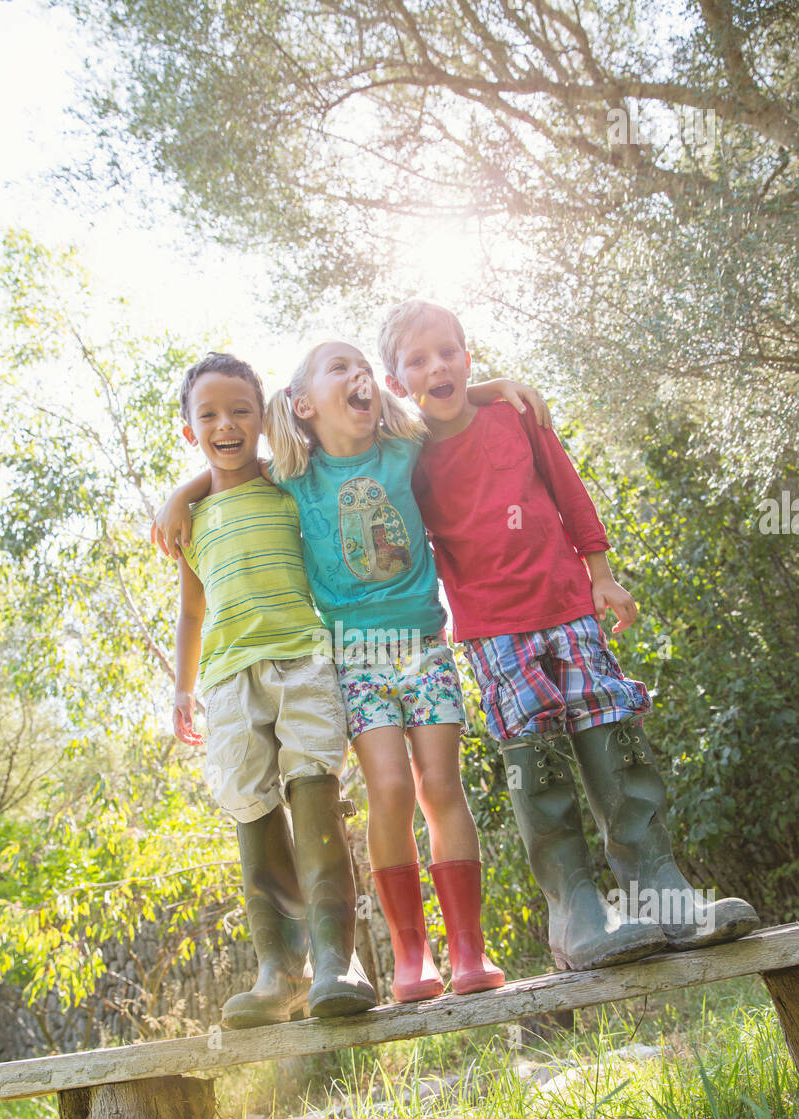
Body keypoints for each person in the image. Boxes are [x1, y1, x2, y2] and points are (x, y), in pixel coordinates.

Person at [156, 341, 548, 1002]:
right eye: (339, 368)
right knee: (389, 788)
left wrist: (491, 386)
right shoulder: (291, 479)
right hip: (351, 656)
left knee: (440, 787)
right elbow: (228, 475)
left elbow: (439, 404)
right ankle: (407, 959)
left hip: (420, 644)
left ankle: (467, 953)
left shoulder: (390, 453)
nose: (357, 375)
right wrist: (180, 491)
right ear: (302, 405)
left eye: (361, 366)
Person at [379, 298, 758, 972]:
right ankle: (574, 910)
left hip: (570, 608)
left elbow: (569, 490)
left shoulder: (517, 417)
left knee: (615, 735)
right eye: (417, 360)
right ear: (396, 380)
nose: (437, 366)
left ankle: (658, 894)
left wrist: (602, 573)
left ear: (468, 357)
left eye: (449, 352)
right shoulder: (404, 457)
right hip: (495, 634)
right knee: (539, 763)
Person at [170, 351, 376, 1026]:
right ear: (189, 429)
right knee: (250, 808)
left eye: (240, 411)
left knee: (315, 793)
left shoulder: (289, 486)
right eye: (209, 415)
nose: (225, 424)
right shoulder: (192, 522)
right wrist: (181, 687)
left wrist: (185, 487)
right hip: (227, 680)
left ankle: (335, 960)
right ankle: (278, 969)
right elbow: (192, 612)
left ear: (264, 419)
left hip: (300, 661)